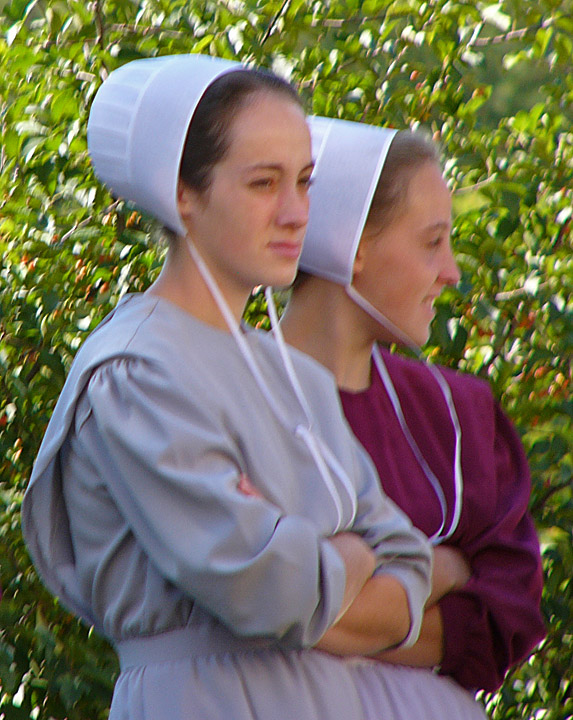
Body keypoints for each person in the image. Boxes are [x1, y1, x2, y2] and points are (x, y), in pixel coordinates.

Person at [22, 54, 434, 720]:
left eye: (304, 181)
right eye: (263, 184)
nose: (296, 213)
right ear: (180, 194)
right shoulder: (136, 370)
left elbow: (407, 576)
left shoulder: (294, 374)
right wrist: (351, 552)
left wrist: (305, 559)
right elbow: (263, 590)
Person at [282, 117, 546, 699]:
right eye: (432, 242)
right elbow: (266, 599)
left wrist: (351, 600)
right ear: (352, 246)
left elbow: (506, 613)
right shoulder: (227, 396)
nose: (451, 273)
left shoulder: (458, 415)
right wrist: (442, 568)